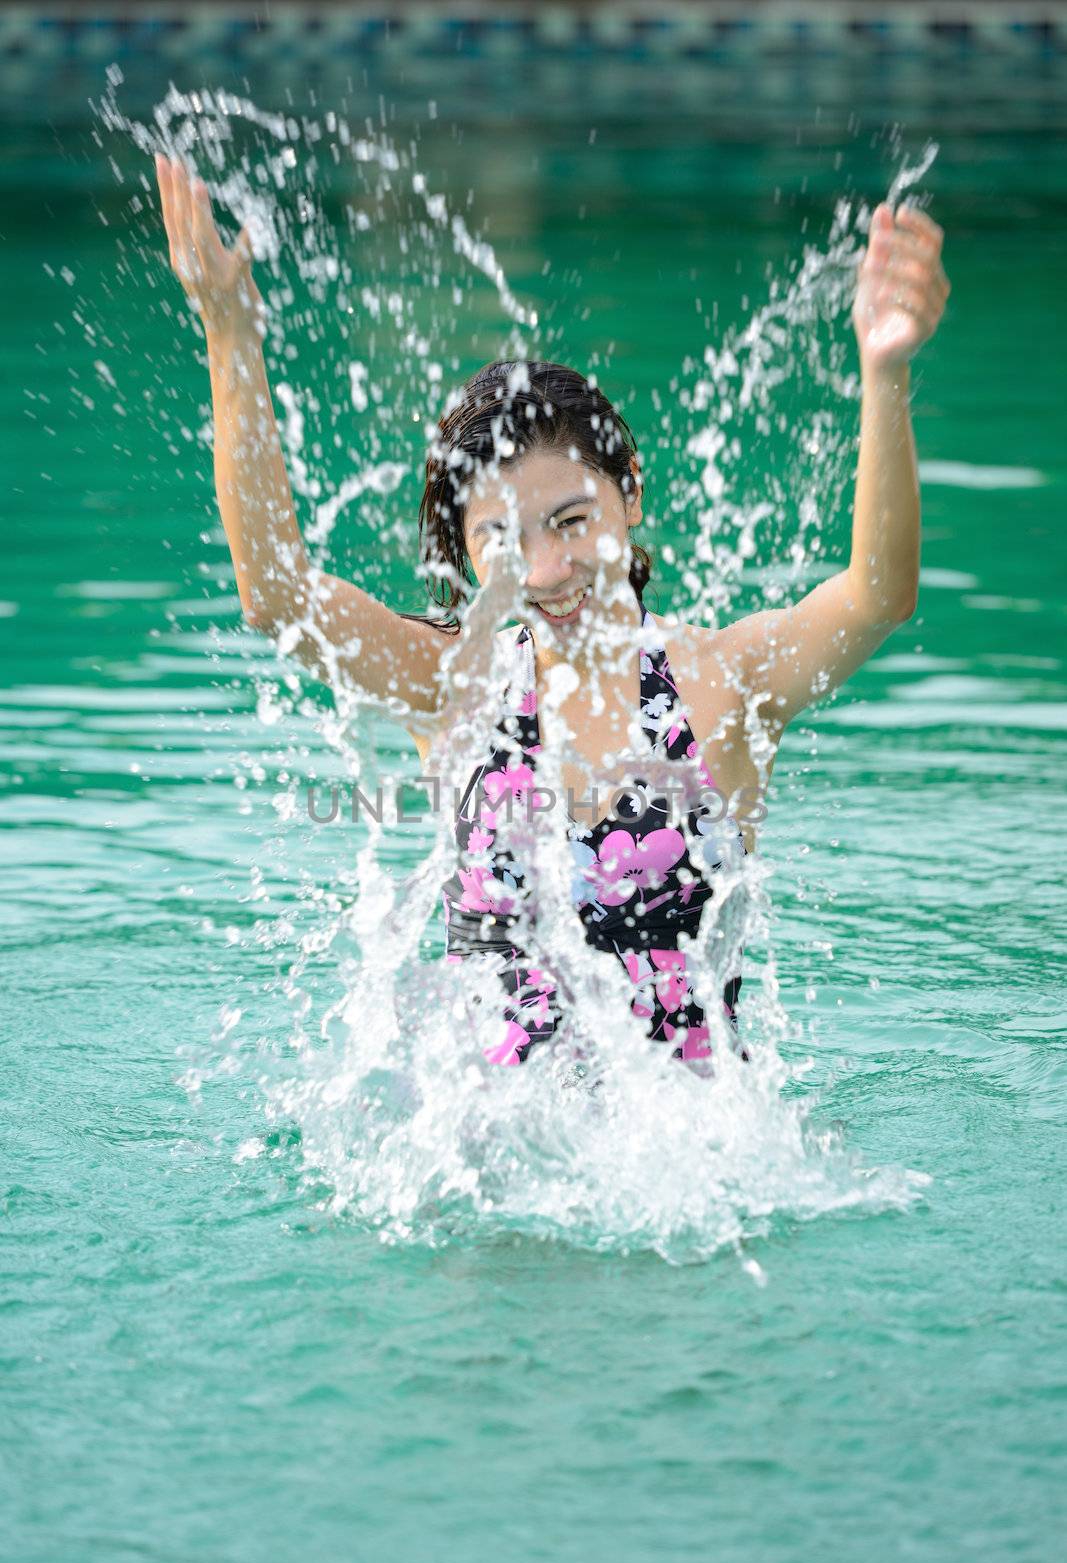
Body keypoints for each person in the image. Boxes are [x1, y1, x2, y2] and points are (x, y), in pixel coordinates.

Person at [152, 153, 950, 1073]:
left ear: (630, 494)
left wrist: (884, 371)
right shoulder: (453, 684)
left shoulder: (721, 683)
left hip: (687, 1169)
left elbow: (875, 595)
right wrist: (229, 336)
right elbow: (277, 599)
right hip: (492, 1166)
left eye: (571, 521)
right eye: (500, 540)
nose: (544, 568)